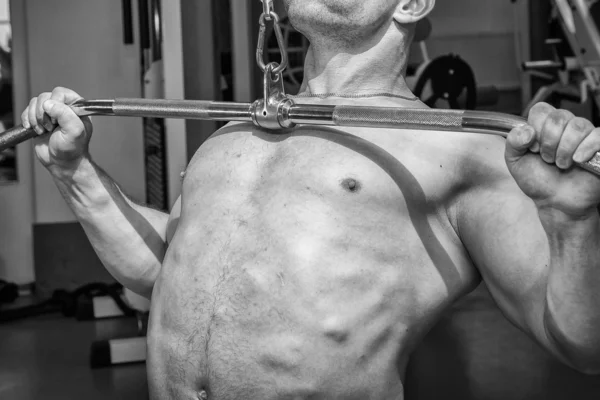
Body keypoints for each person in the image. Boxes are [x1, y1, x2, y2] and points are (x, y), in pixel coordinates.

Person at [21, 1, 600, 399]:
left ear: (412, 4)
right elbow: (164, 273)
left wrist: (572, 219)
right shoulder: (231, 137)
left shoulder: (460, 150)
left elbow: (580, 344)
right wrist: (75, 172)